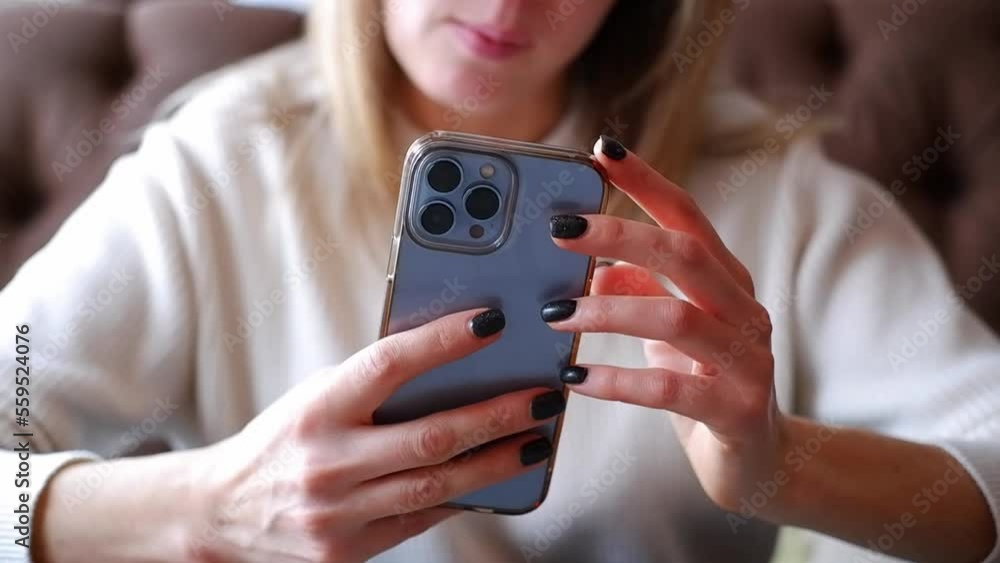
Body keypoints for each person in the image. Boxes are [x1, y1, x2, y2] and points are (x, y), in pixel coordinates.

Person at [1, 1, 997, 562]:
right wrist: (205, 505)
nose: (506, 5)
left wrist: (781, 466)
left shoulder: (780, 197)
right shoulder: (219, 163)